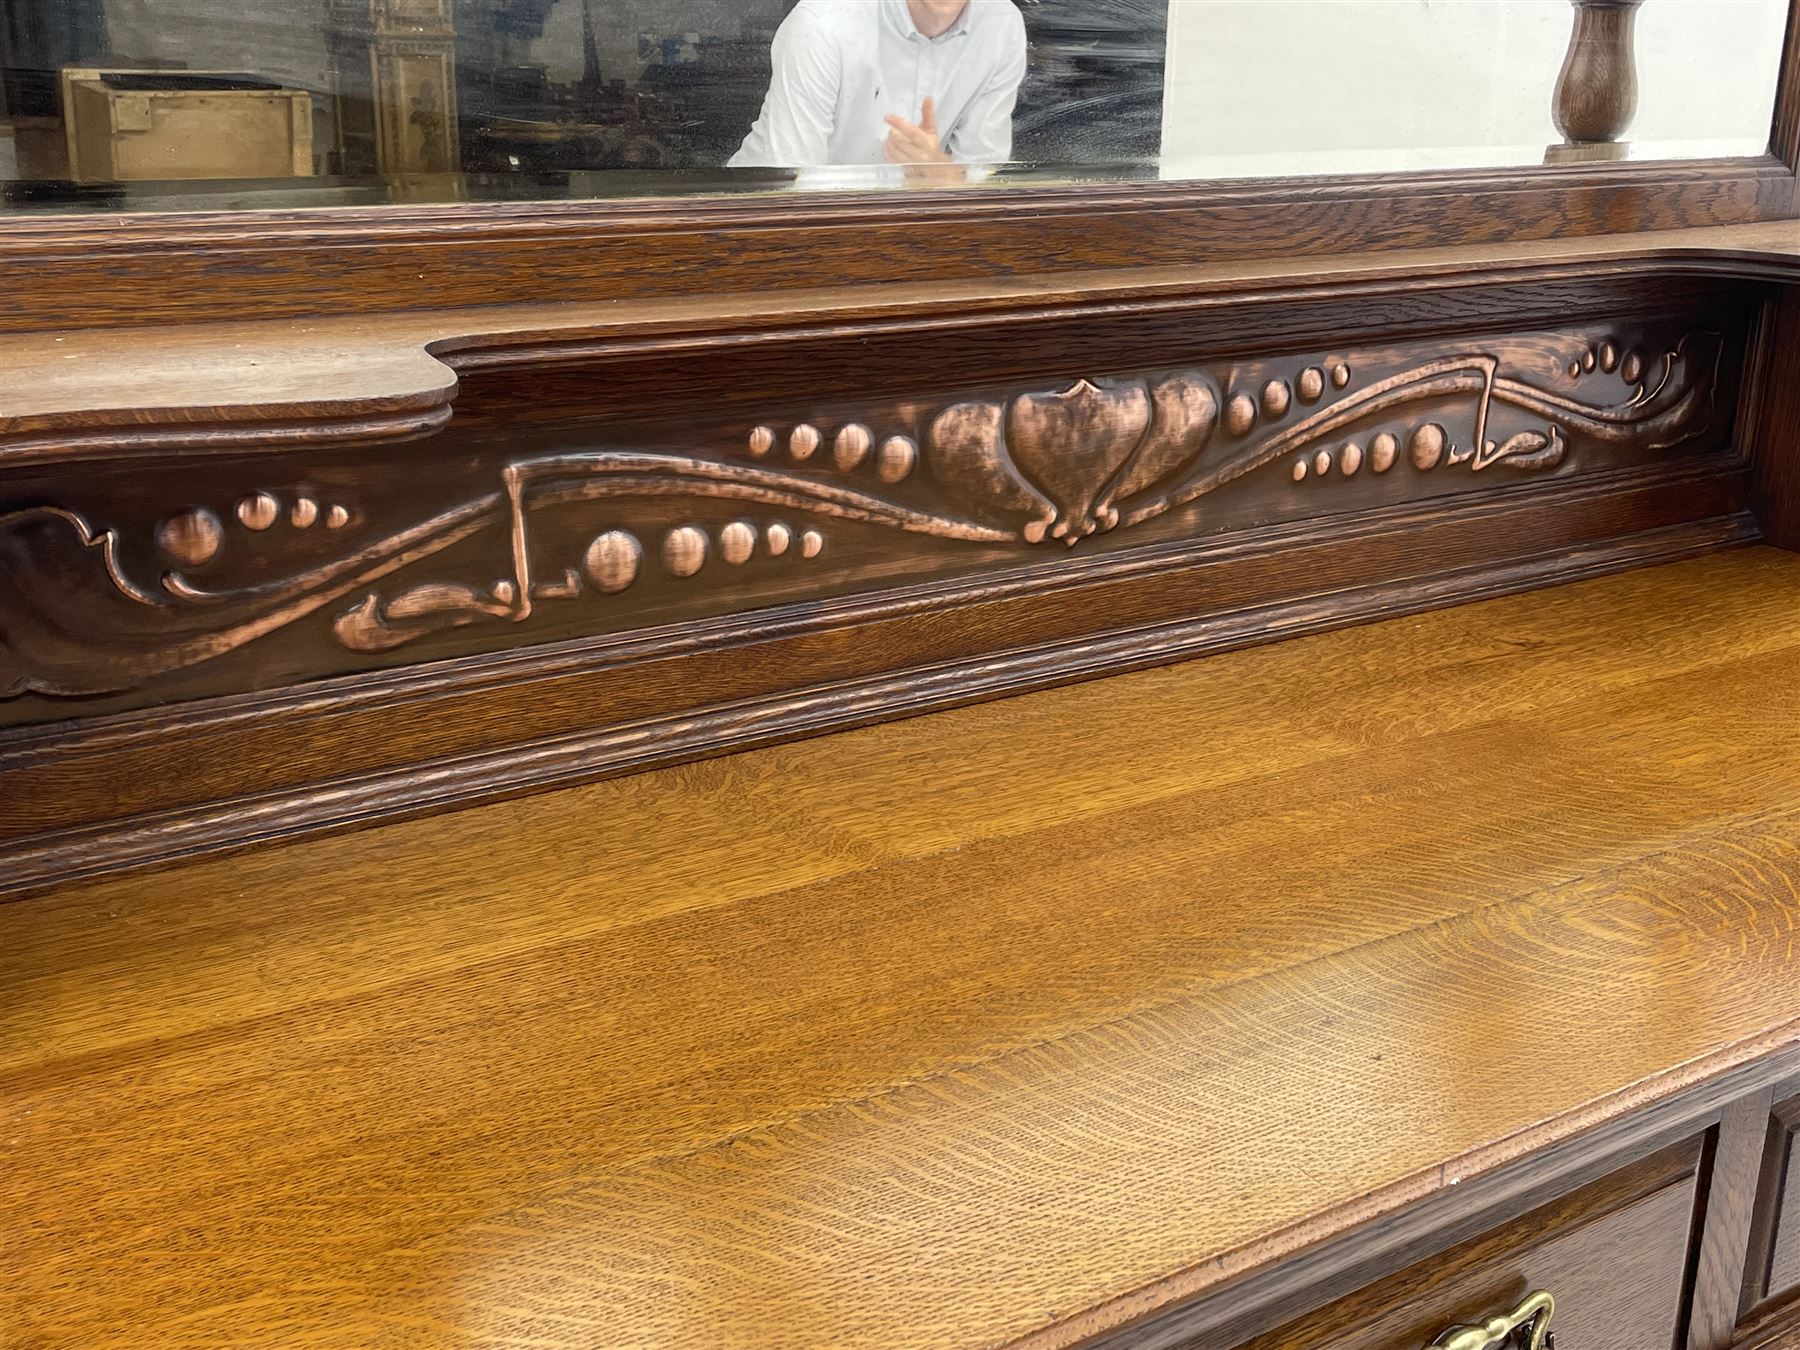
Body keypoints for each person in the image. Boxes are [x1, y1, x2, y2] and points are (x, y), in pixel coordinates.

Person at [729, 0, 1028, 169]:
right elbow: (792, 186)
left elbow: (984, 176)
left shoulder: (1002, 25)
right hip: (753, 218)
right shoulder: (822, 23)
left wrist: (940, 173)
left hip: (893, 224)